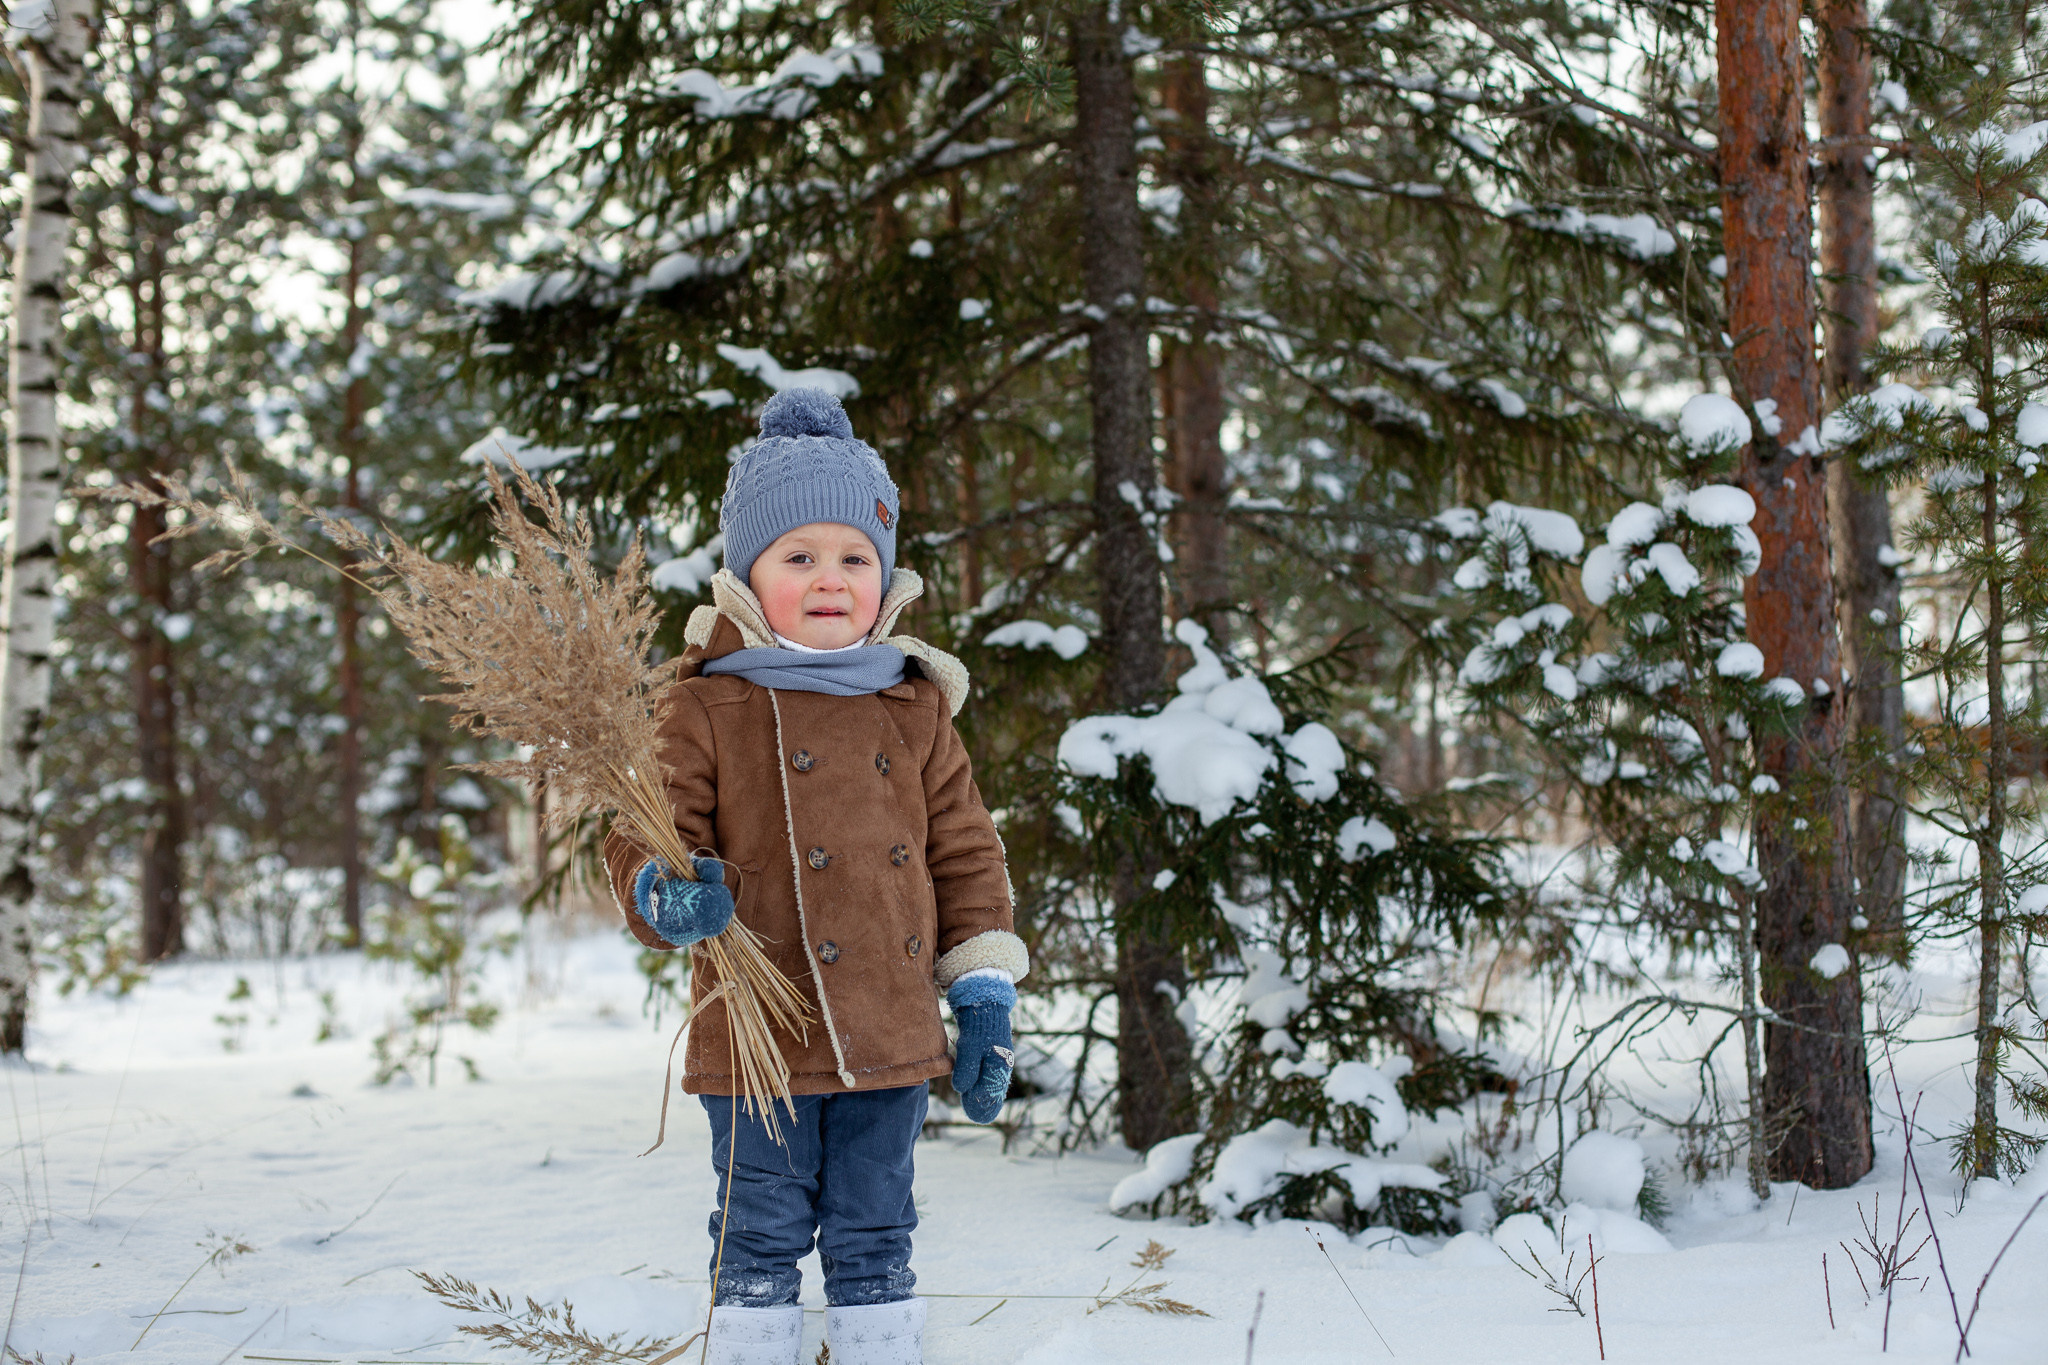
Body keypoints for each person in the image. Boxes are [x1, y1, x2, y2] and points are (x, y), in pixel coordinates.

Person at [603, 388, 1027, 1365]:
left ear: (885, 580)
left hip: (889, 1032)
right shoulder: (708, 705)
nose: (829, 578)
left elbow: (964, 852)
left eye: (853, 558)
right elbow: (644, 831)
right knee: (755, 1233)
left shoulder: (914, 706)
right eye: (798, 557)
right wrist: (662, 892)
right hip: (757, 1037)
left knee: (877, 1230)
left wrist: (983, 992)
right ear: (747, 573)